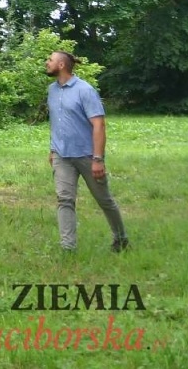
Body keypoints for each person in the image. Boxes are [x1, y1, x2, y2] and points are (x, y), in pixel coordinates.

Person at [46, 50, 128, 252]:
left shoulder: (85, 90)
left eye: (50, 60)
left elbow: (99, 125)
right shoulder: (52, 90)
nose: (47, 63)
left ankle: (121, 239)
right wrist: (52, 149)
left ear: (62, 65)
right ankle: (68, 248)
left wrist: (98, 159)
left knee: (104, 200)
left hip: (87, 156)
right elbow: (56, 123)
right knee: (64, 199)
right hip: (61, 156)